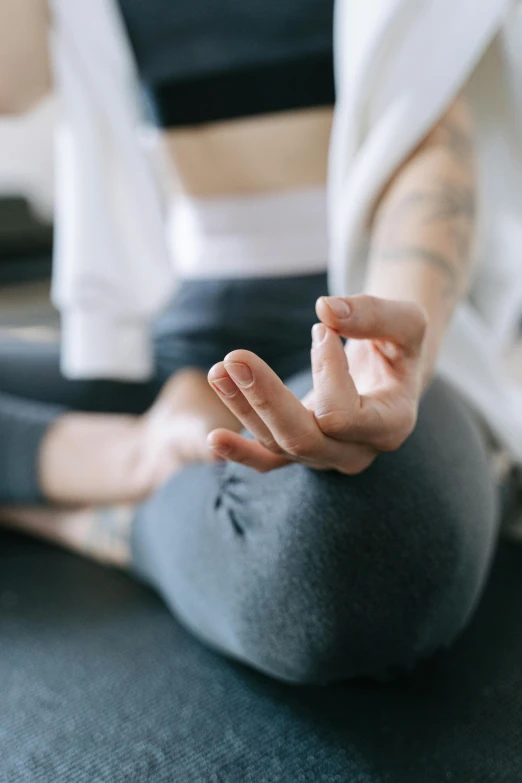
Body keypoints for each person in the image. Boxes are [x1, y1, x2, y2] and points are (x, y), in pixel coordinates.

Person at [0, 0, 520, 684]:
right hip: (182, 341)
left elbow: (426, 131)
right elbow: (13, 80)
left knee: (353, 564)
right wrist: (124, 450)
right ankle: (127, 459)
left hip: (355, 311)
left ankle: (101, 514)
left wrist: (389, 354)